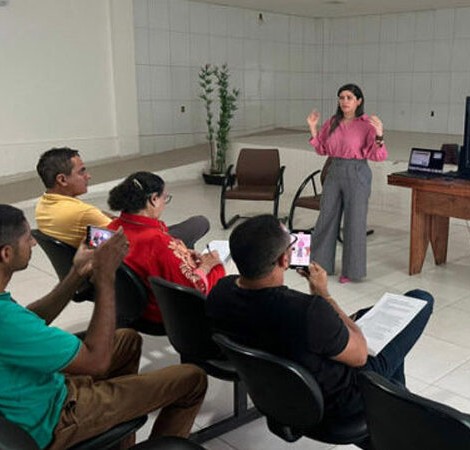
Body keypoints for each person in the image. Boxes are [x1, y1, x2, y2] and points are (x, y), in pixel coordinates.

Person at [0, 204, 207, 449]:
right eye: (27, 238)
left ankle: (117, 434)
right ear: (5, 254)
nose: (33, 243)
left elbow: (27, 322)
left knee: (128, 339)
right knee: (192, 378)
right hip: (49, 418)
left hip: (8, 389)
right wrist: (105, 277)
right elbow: (97, 361)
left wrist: (77, 273)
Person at [206, 214, 432, 422]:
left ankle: (399, 403)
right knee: (420, 300)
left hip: (283, 391)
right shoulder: (308, 311)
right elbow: (361, 354)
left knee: (367, 317)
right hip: (341, 398)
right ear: (285, 260)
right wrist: (323, 294)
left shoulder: (220, 292)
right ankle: (399, 417)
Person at [107, 172, 225, 323]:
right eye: (164, 198)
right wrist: (207, 266)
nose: (164, 203)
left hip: (123, 303)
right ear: (153, 199)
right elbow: (192, 289)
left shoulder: (111, 229)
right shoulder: (157, 241)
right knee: (218, 270)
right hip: (158, 311)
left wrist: (182, 254)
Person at [35, 147, 209, 249]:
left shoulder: (44, 205)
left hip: (93, 265)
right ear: (62, 179)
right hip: (133, 257)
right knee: (199, 223)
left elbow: (103, 230)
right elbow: (128, 240)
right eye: (82, 171)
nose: (88, 176)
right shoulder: (81, 213)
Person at [306, 84, 387, 283]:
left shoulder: (367, 124)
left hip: (357, 172)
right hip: (335, 171)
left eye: (349, 97)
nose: (344, 101)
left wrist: (379, 135)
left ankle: (351, 272)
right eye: (341, 97)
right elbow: (322, 149)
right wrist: (313, 128)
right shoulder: (332, 122)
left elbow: (378, 156)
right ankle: (320, 265)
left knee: (355, 222)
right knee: (326, 217)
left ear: (359, 101)